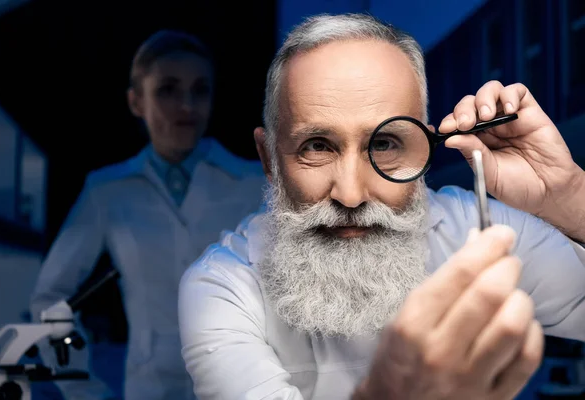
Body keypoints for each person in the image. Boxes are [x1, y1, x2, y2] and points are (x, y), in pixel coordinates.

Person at [178, 13, 585, 400]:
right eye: (317, 146)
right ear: (269, 160)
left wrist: (569, 197)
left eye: (385, 144)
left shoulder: (472, 228)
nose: (351, 196)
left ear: (423, 151)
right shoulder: (222, 287)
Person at [30, 30, 265, 399]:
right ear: (136, 101)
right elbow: (50, 299)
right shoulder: (107, 191)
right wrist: (82, 389)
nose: (187, 105)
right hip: (149, 389)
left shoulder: (253, 182)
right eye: (168, 89)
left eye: (200, 89)